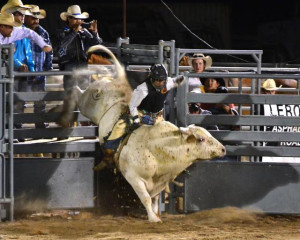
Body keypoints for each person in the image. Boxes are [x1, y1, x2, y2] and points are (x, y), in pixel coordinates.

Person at [100, 64, 184, 165]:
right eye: (157, 80)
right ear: (151, 78)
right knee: (120, 127)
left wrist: (181, 79)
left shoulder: (168, 82)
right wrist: (137, 119)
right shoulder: (142, 89)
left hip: (157, 116)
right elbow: (132, 105)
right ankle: (108, 154)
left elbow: (175, 81)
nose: (159, 82)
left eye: (162, 80)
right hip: (140, 112)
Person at [57, 5, 102, 91]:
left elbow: (97, 43)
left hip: (83, 64)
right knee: (70, 93)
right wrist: (74, 32)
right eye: (76, 19)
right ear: (68, 19)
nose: (79, 21)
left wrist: (94, 32)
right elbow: (63, 44)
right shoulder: (62, 31)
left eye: (80, 19)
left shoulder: (84, 31)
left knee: (84, 91)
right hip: (69, 64)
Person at [24, 4, 53, 128]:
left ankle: (40, 125)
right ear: (25, 18)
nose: (36, 20)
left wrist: (48, 67)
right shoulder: (21, 32)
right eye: (32, 18)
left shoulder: (43, 33)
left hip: (39, 71)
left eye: (37, 18)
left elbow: (49, 51)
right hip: (24, 73)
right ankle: (17, 128)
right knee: (21, 101)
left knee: (40, 101)